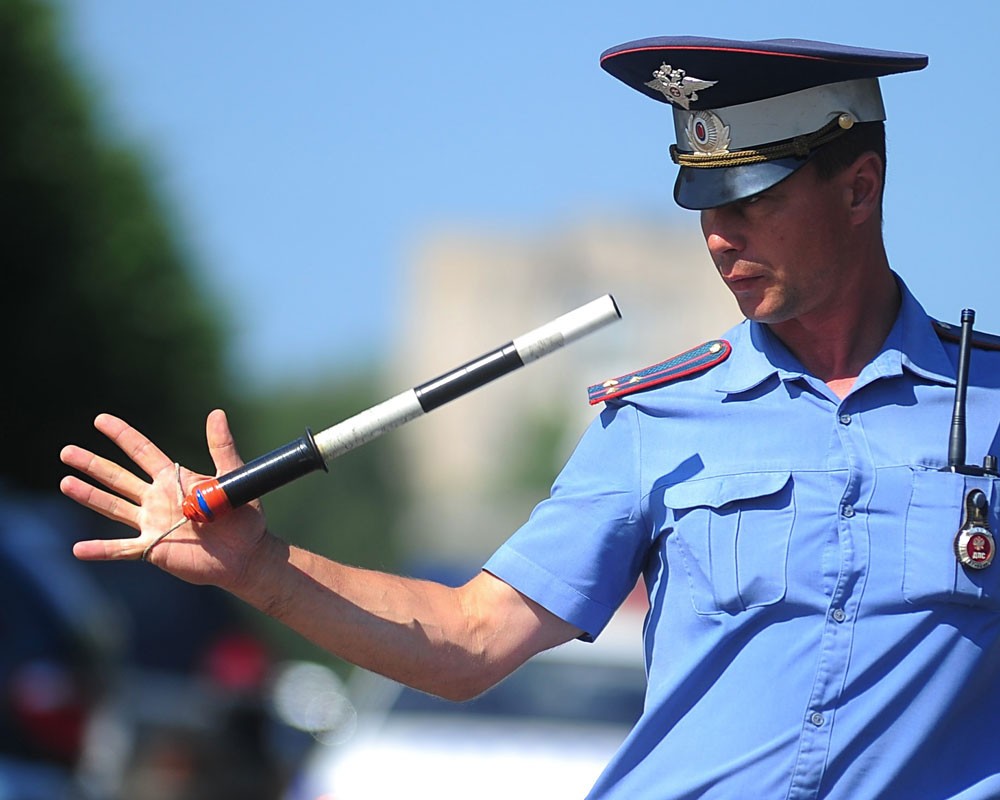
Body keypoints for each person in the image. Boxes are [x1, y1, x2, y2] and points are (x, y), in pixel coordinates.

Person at [60, 36, 1000, 799]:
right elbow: (470, 641)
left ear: (859, 187)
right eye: (701, 199)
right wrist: (261, 568)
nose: (720, 234)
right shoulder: (658, 419)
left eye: (753, 196)